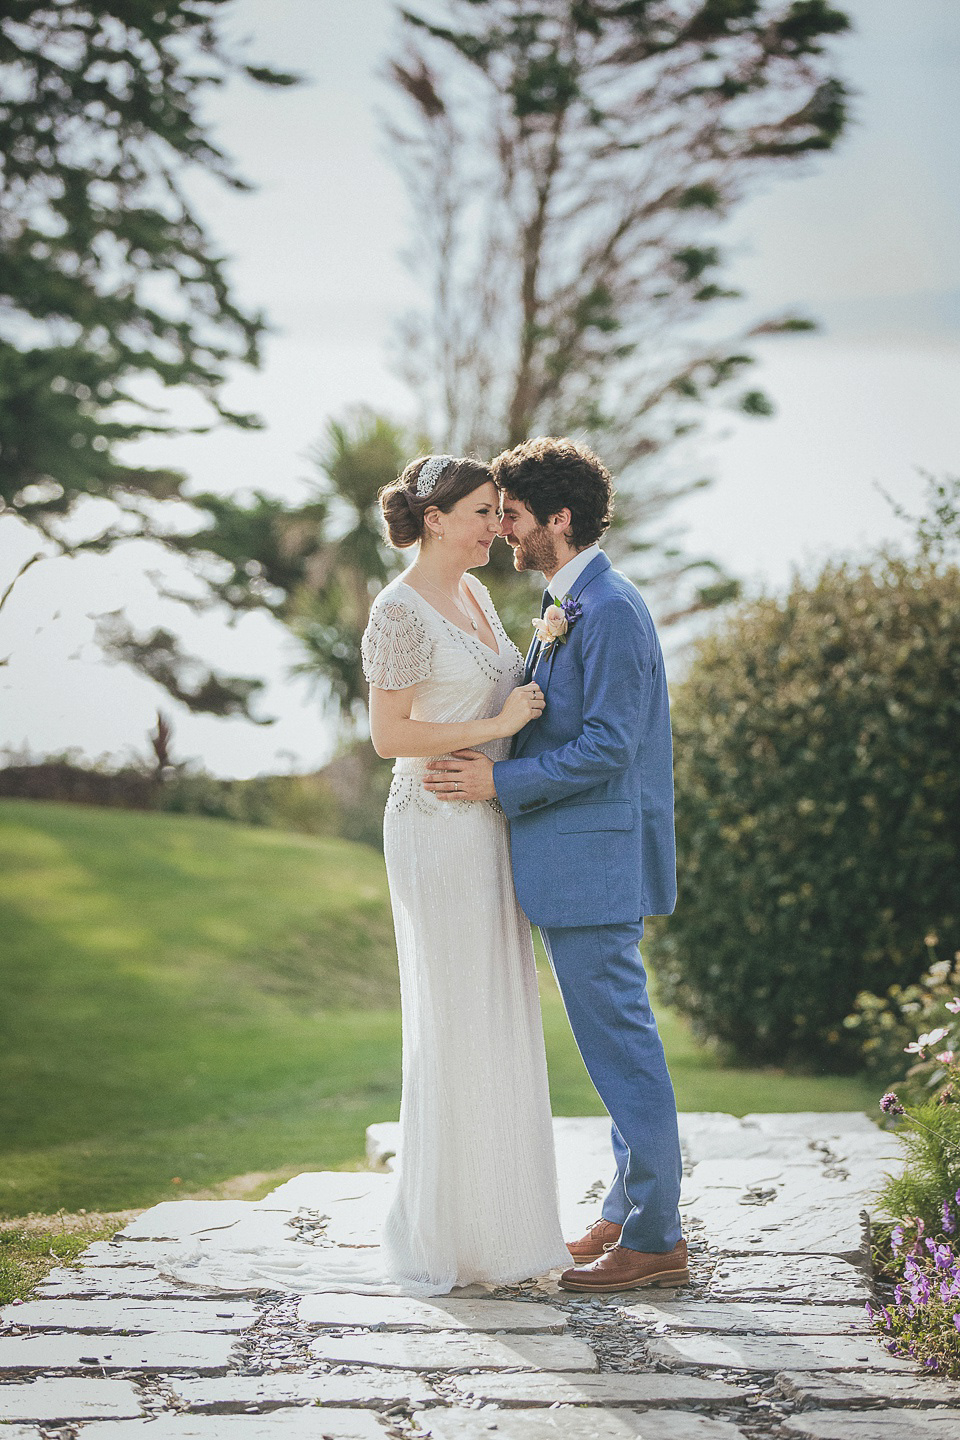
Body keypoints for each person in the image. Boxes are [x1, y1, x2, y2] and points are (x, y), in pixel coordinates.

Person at [423, 436, 688, 1294]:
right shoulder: (569, 601)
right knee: (615, 1045)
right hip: (574, 863)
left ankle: (657, 1236)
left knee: (623, 1048)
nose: (504, 530)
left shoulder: (608, 609)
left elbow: (610, 746)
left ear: (559, 519)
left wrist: (500, 779)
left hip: (594, 863)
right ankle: (623, 1209)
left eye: (514, 516)